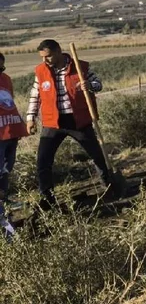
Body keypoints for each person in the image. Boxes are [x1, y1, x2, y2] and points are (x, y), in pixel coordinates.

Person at [26, 39, 112, 209]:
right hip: (52, 123)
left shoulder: (80, 67)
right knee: (43, 161)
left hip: (78, 121)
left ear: (58, 51)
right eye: (42, 57)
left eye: (48, 56)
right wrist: (30, 117)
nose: (45, 60)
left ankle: (109, 185)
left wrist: (89, 85)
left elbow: (98, 84)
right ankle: (47, 198)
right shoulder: (41, 71)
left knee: (97, 155)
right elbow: (35, 96)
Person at [0, 52, 29, 237]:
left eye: (2, 67)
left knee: (5, 174)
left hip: (10, 133)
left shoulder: (6, 79)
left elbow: (10, 104)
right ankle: (5, 230)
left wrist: (17, 131)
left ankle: (6, 223)